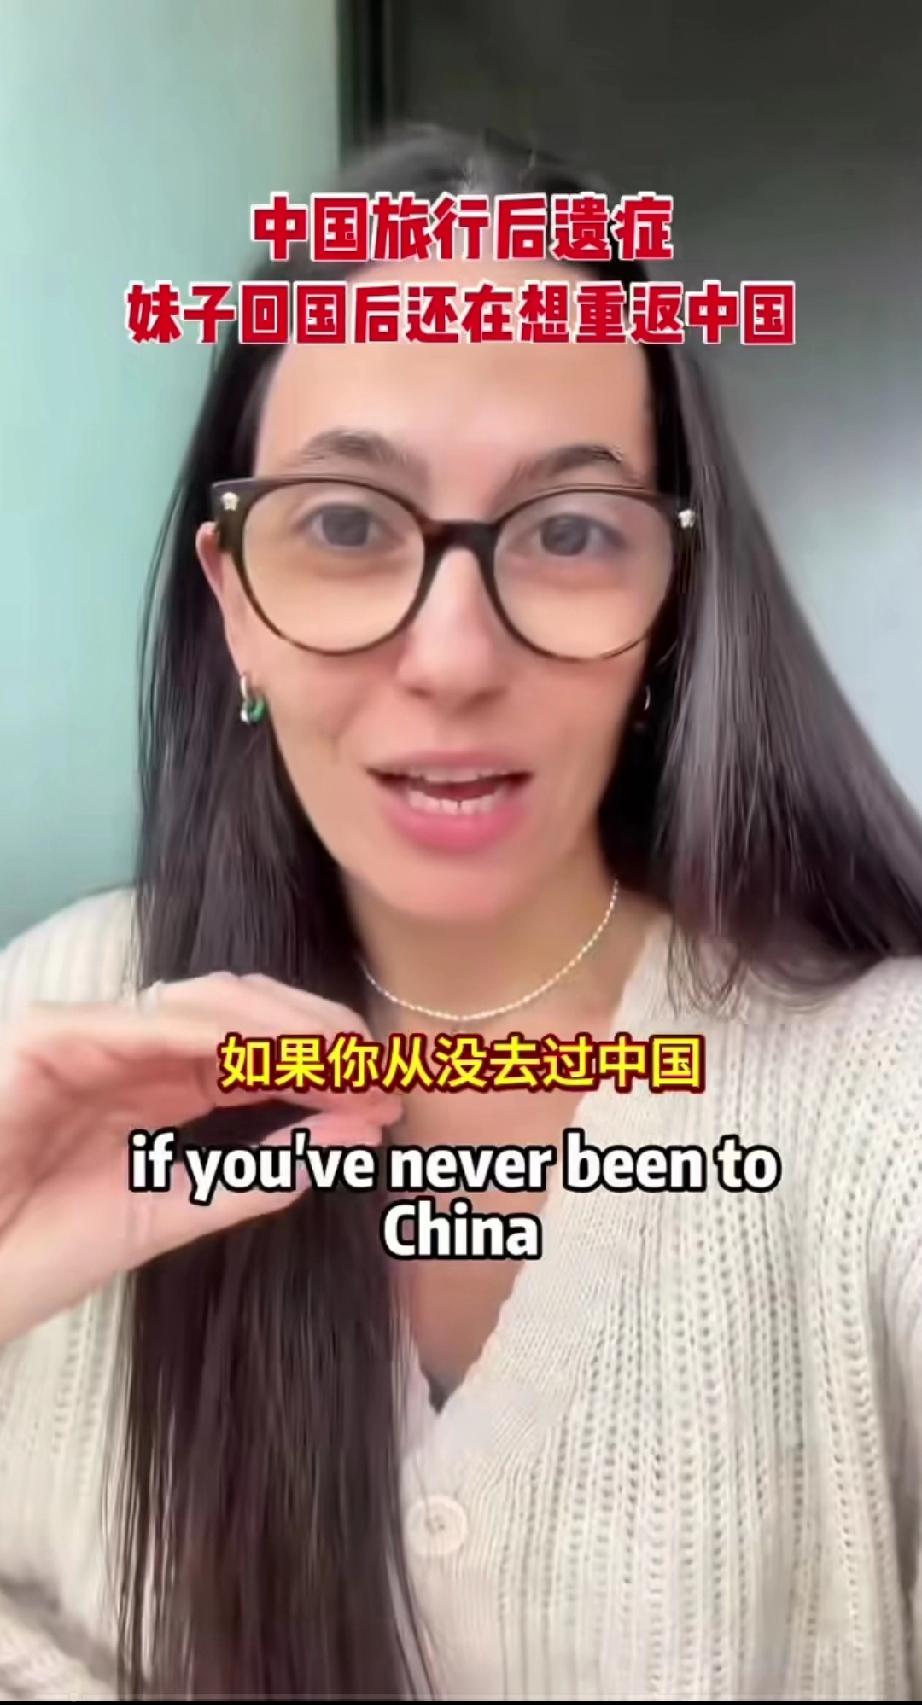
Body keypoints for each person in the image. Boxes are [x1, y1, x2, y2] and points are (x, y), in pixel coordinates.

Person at [1, 121, 921, 1704]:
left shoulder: (879, 1103)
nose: (450, 659)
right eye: (346, 525)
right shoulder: (57, 1013)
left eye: (567, 534)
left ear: (668, 611)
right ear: (235, 606)